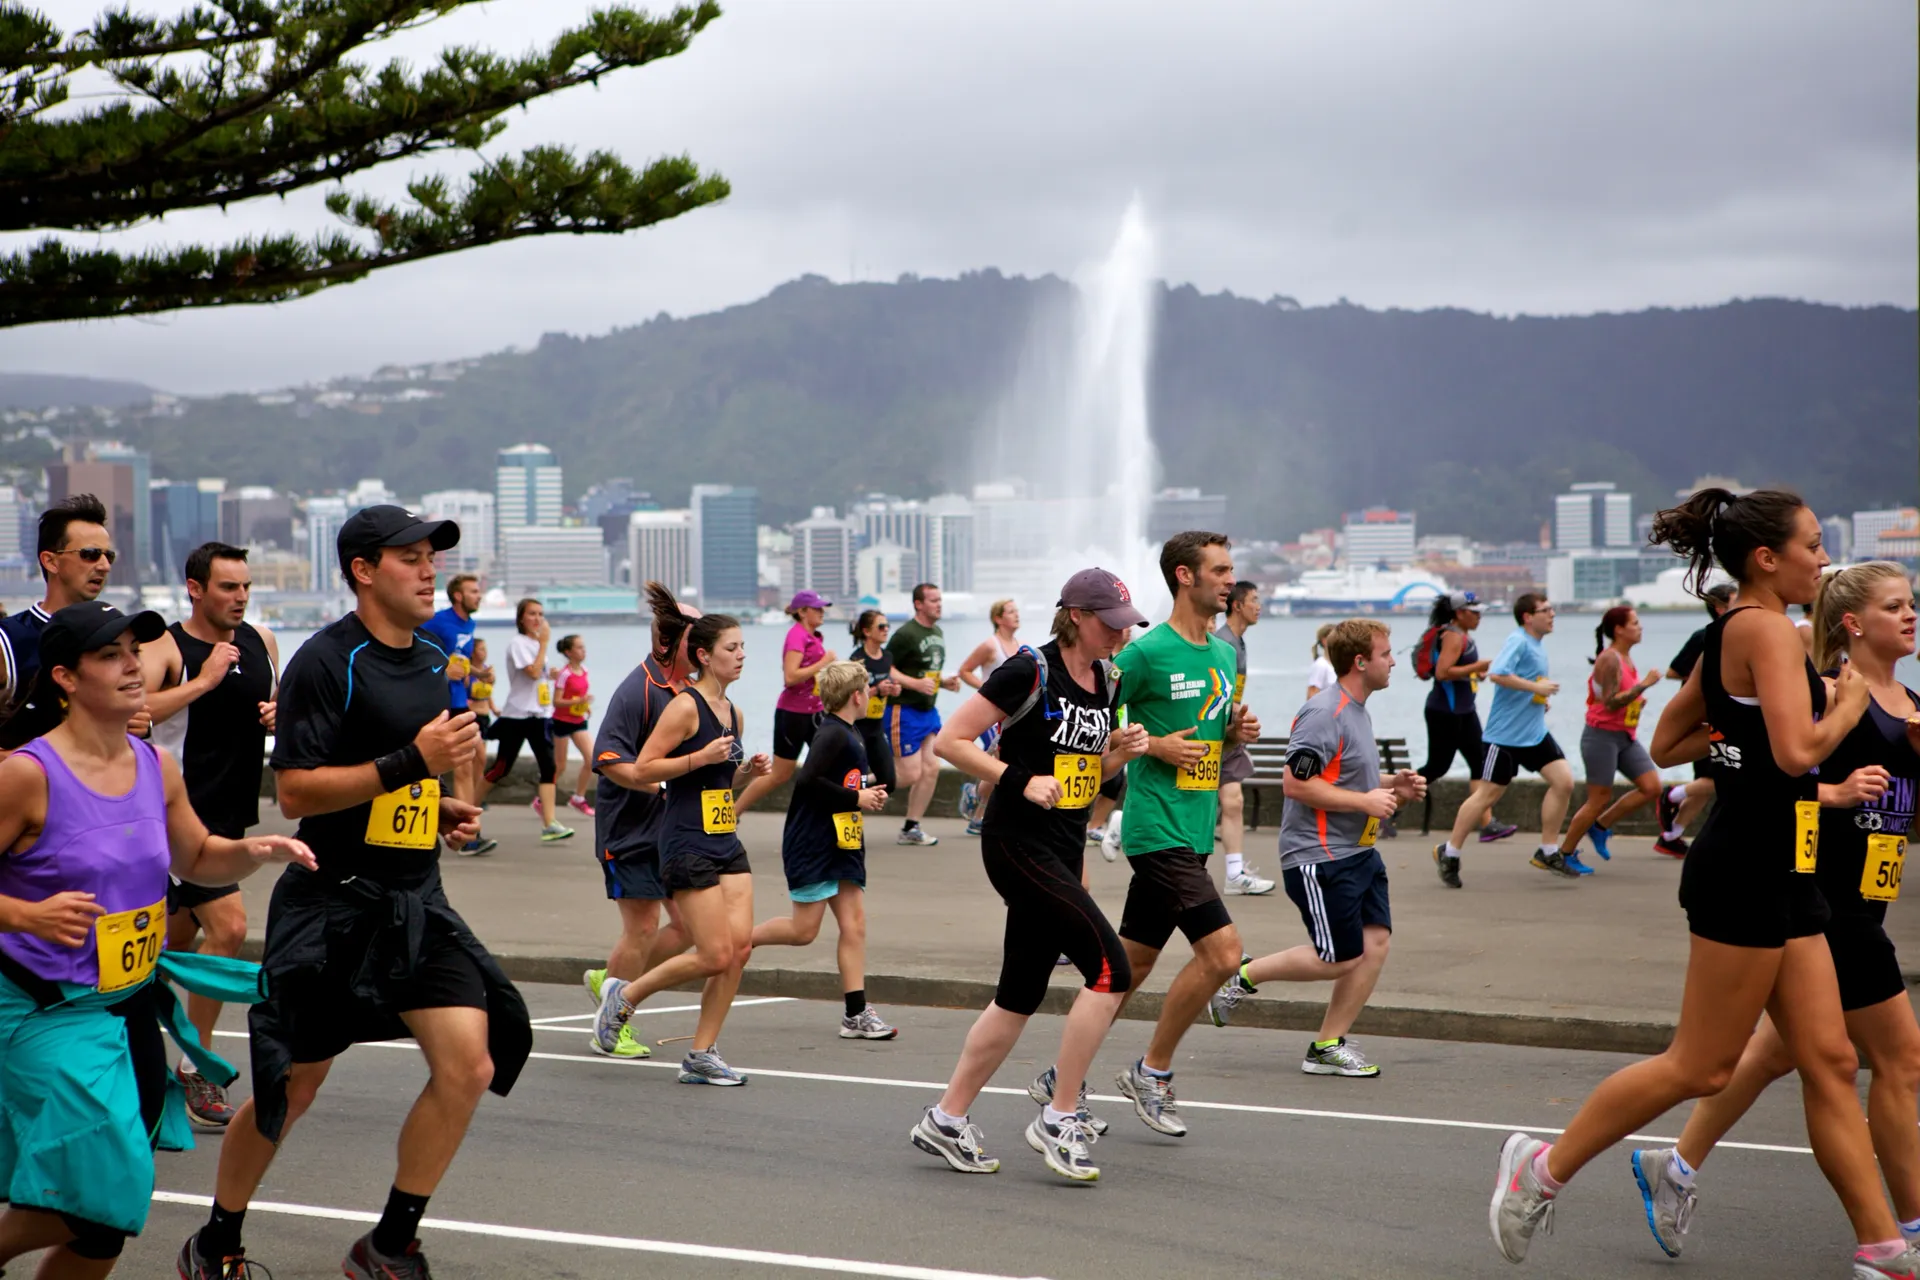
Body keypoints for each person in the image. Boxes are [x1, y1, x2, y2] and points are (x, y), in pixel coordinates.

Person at [1487, 489, 1920, 1279]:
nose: (1823, 561)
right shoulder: (1760, 629)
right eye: (1813, 546)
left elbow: (1680, 736)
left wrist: (1753, 754)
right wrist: (1842, 703)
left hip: (1789, 866)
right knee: (1702, 1066)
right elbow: (1797, 754)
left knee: (1828, 1059)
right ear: (1768, 558)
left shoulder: (1751, 633)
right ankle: (1539, 1171)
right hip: (1744, 871)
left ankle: (1884, 1246)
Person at [180, 505, 534, 1280]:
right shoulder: (325, 661)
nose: (428, 568)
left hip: (415, 899)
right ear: (364, 571)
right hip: (332, 903)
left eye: (432, 555)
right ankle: (215, 1240)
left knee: (469, 1063)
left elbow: (393, 775)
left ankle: (387, 1243)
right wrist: (414, 763)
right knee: (293, 1087)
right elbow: (301, 791)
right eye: (409, 556)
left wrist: (434, 807)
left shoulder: (433, 656)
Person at [0, 602, 312, 1280]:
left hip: (131, 1006)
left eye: (133, 650)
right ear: (65, 677)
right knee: (100, 1190)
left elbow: (197, 857)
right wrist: (26, 916)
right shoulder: (26, 774)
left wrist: (255, 850)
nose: (132, 665)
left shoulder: (155, 766)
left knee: (108, 1223)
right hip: (42, 1007)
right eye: (110, 654)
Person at [1631, 562, 1920, 1259]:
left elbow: (1901, 807)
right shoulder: (1823, 695)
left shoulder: (1906, 698)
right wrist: (1836, 793)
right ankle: (1906, 1228)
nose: (1911, 616)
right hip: (1824, 897)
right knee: (1901, 1057)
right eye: (1894, 606)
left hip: (1871, 893)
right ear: (1853, 623)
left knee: (1772, 1054)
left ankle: (1673, 1166)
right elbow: (1761, 779)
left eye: (1912, 604)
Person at [910, 568, 1150, 1181]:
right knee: (1110, 968)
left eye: (1125, 628)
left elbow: (1084, 774)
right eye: (1108, 626)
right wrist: (1018, 777)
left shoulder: (1108, 678)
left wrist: (1119, 750)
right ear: (1074, 615)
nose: (1118, 638)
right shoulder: (1029, 669)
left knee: (1019, 993)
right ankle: (1058, 1115)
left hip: (1064, 846)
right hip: (1017, 843)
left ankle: (946, 1118)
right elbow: (950, 742)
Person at [1097, 532, 1260, 1139]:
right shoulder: (1144, 653)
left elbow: (1212, 736)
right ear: (1185, 577)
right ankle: (1152, 1072)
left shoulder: (1221, 654)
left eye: (1230, 570)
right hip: (1155, 826)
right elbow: (1095, 719)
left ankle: (1061, 1076)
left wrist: (1236, 733)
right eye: (1219, 570)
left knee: (1129, 967)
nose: (1230, 581)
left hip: (1196, 830)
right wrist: (1151, 745)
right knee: (1221, 954)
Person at [1208, 619, 1425, 1076]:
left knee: (1376, 943)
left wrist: (1392, 784)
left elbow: (1344, 776)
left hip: (1358, 851)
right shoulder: (1324, 712)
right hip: (1319, 856)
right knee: (1339, 957)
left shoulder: (1358, 709)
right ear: (1360, 662)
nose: (1393, 662)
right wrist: (1366, 800)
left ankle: (1327, 1044)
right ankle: (1242, 976)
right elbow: (1296, 783)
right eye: (1386, 654)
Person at [592, 613, 773, 1085]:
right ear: (704, 655)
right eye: (732, 648)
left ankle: (701, 1054)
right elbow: (645, 768)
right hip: (684, 839)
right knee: (714, 955)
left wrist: (745, 772)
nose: (742, 656)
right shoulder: (685, 707)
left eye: (742, 647)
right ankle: (625, 997)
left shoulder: (733, 713)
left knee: (740, 949)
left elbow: (716, 779)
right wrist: (700, 757)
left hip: (724, 837)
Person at [142, 541, 281, 1129]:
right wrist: (201, 682)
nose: (240, 598)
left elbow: (277, 703)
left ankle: (127, 1044)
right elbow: (134, 710)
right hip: (173, 819)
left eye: (246, 587)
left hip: (229, 816)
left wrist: (282, 714)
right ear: (196, 589)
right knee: (230, 928)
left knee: (159, 954)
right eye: (228, 587)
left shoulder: (263, 642)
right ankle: (195, 1066)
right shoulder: (167, 646)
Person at [751, 660, 896, 1040]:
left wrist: (868, 791)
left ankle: (856, 1013)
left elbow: (844, 779)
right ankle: (736, 940)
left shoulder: (852, 732)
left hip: (843, 841)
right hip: (813, 841)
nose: (870, 697)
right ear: (856, 696)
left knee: (854, 925)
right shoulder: (831, 734)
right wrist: (856, 795)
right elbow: (809, 781)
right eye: (867, 690)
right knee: (803, 932)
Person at [1436, 593, 1579, 884]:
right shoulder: (1518, 640)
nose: (1552, 614)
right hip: (1504, 737)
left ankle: (1548, 850)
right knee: (1487, 795)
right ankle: (1449, 852)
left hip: (1534, 732)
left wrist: (1538, 697)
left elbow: (1523, 682)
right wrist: (1534, 688)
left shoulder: (1537, 645)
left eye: (1552, 609)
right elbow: (1498, 674)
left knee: (1564, 781)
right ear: (1527, 616)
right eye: (1545, 610)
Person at [0, 494, 117, 749]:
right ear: (50, 561)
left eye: (109, 556)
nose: (104, 565)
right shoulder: (9, 640)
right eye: (90, 554)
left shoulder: (117, 634)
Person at [1555, 606, 1662, 867]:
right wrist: (1643, 686)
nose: (1640, 627)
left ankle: (1600, 826)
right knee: (1599, 798)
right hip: (1601, 736)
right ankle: (1564, 854)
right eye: (1635, 623)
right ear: (1619, 629)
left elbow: (1620, 700)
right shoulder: (1610, 658)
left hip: (1624, 735)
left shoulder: (1626, 658)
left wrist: (1637, 698)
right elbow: (1611, 703)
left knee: (1652, 787)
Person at [1417, 590, 1517, 862]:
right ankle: (1389, 806)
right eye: (1474, 612)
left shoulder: (1464, 636)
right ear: (1460, 613)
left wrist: (1476, 671)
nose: (1479, 617)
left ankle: (1487, 824)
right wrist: (1477, 665)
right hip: (1445, 712)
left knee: (1479, 762)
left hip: (1464, 710)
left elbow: (1458, 671)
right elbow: (1442, 673)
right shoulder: (1452, 635)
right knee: (1436, 767)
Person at [475, 598, 573, 842]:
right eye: (532, 614)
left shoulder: (535, 643)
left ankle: (549, 823)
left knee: (548, 767)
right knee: (501, 768)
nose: (537, 618)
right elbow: (530, 672)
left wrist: (549, 674)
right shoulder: (518, 643)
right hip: (517, 715)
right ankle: (468, 809)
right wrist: (544, 645)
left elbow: (537, 672)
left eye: (540, 614)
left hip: (539, 714)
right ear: (521, 618)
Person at [1655, 581, 1738, 857]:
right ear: (1719, 607)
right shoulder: (1705, 637)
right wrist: (1702, 682)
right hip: (1703, 720)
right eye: (1735, 602)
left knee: (1710, 781)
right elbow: (1672, 671)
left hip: (1721, 718)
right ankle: (1672, 796)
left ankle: (1671, 834)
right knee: (1716, 780)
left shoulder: (1736, 637)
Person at [736, 591, 838, 814]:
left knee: (831, 767)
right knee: (780, 774)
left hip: (816, 713)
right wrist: (824, 662)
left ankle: (823, 821)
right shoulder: (796, 635)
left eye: (823, 608)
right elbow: (791, 677)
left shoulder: (813, 636)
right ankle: (733, 813)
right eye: (817, 608)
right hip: (793, 714)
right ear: (802, 612)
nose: (822, 612)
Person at [886, 583, 961, 846]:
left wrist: (944, 682)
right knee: (908, 774)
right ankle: (852, 786)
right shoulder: (906, 634)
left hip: (928, 711)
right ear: (918, 604)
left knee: (931, 768)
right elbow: (886, 667)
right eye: (933, 600)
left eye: (940, 600)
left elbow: (926, 672)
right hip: (903, 710)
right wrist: (914, 684)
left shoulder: (937, 632)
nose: (938, 604)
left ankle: (911, 827)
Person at [1215, 580, 1274, 895]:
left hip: (1229, 732)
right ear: (1236, 605)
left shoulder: (1237, 641)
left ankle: (1235, 873)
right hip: (1220, 733)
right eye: (1254, 599)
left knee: (1233, 801)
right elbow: (1219, 692)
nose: (1259, 605)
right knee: (1226, 802)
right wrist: (1237, 720)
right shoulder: (1223, 642)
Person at [955, 599, 1022, 834]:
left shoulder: (1021, 646)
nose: (1017, 615)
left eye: (1016, 611)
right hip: (991, 716)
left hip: (1012, 716)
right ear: (998, 618)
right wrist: (987, 687)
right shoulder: (990, 646)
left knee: (1002, 762)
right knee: (996, 763)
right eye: (1011, 612)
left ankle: (977, 802)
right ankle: (979, 814)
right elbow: (964, 671)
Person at [850, 609, 901, 792]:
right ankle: (852, 796)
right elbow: (851, 697)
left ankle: (858, 789)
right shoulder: (857, 659)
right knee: (856, 778)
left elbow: (890, 682)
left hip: (877, 728)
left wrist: (894, 689)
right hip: (858, 728)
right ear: (866, 631)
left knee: (889, 782)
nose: (886, 630)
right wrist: (876, 689)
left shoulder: (887, 657)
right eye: (881, 626)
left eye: (887, 626)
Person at [550, 634, 596, 816]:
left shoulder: (584, 670)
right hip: (561, 722)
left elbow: (580, 696)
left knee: (591, 760)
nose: (583, 651)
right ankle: (541, 798)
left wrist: (585, 707)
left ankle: (578, 798)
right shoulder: (564, 674)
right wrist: (579, 701)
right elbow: (557, 701)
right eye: (579, 648)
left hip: (578, 720)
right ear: (568, 652)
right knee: (560, 766)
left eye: (583, 647)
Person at [1306, 623, 1338, 699]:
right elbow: (1312, 696)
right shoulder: (1320, 665)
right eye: (1336, 637)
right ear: (1324, 641)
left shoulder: (1338, 666)